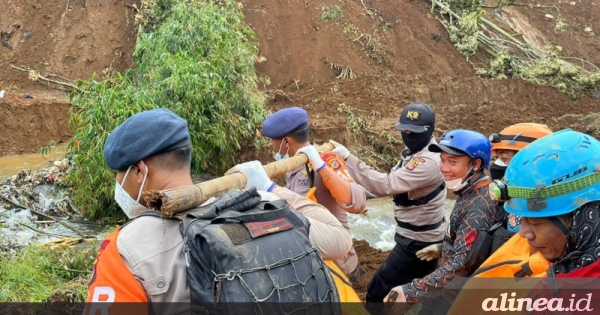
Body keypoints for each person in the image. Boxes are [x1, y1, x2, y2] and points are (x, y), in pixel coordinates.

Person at [86, 108, 353, 315]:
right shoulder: (261, 206)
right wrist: (271, 189)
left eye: (119, 175)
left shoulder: (124, 249)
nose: (118, 184)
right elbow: (340, 239)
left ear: (139, 171)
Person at [446, 129, 600, 314]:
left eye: (535, 222)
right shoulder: (569, 260)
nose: (522, 233)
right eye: (523, 219)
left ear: (582, 218)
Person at [330, 103, 447, 303]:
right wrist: (354, 195)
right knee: (421, 289)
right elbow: (391, 188)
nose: (408, 135)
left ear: (429, 130)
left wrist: (349, 158)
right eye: (405, 131)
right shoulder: (413, 153)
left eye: (414, 132)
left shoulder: (429, 162)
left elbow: (386, 184)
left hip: (417, 241)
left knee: (378, 290)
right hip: (414, 236)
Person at [383, 129, 505, 314]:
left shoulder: (479, 206)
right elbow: (475, 247)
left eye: (452, 162)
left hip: (460, 300)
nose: (444, 168)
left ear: (476, 164)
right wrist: (444, 248)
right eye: (442, 160)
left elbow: (460, 266)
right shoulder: (471, 192)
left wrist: (409, 292)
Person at [262, 107, 367, 283]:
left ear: (286, 142)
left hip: (337, 264)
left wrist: (320, 166)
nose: (270, 145)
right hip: (313, 258)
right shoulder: (293, 165)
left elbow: (358, 202)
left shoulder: (324, 160)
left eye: (272, 140)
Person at [489, 123, 553, 234]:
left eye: (504, 158)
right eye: (497, 158)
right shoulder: (512, 202)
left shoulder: (549, 206)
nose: (497, 165)